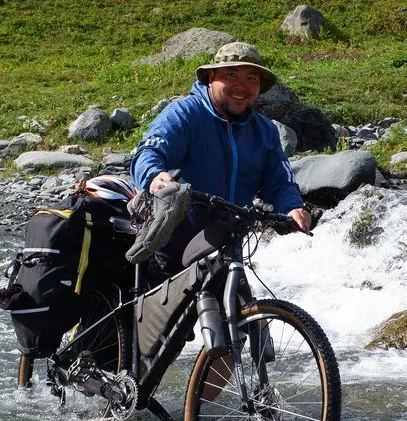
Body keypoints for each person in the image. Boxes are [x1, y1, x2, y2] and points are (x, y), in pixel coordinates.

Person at [131, 41, 311, 268]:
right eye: (231, 75)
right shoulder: (185, 114)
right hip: (165, 247)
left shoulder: (265, 131)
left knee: (235, 301)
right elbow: (150, 151)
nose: (241, 86)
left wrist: (291, 207)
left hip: (227, 248)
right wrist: (156, 176)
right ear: (211, 78)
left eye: (251, 78)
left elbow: (279, 181)